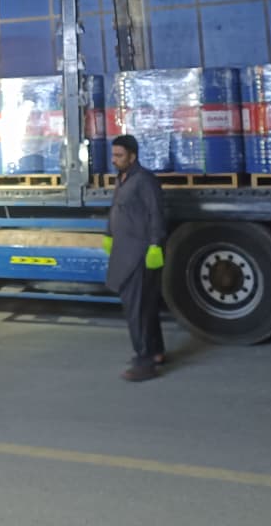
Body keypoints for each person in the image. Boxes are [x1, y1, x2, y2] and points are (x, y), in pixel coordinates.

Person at [103, 134, 167, 382]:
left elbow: (156, 214)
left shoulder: (145, 180)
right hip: (124, 249)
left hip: (139, 253)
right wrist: (108, 233)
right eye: (113, 155)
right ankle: (157, 351)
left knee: (137, 309)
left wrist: (155, 245)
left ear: (133, 156)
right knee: (145, 307)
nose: (114, 160)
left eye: (119, 156)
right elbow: (116, 208)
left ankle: (144, 362)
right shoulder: (123, 179)